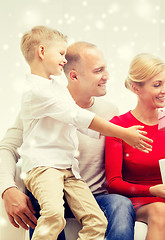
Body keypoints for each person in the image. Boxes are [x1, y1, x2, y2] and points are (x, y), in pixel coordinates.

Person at [17, 25, 152, 239]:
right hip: (45, 169)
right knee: (53, 214)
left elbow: (79, 126)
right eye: (60, 53)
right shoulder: (37, 93)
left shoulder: (57, 89)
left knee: (97, 221)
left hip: (69, 171)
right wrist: (124, 132)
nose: (63, 59)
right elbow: (77, 117)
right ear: (42, 52)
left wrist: (121, 136)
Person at [105, 53, 165, 240]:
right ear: (136, 88)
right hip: (140, 200)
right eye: (157, 85)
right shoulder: (119, 126)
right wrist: (151, 190)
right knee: (160, 210)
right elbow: (113, 183)